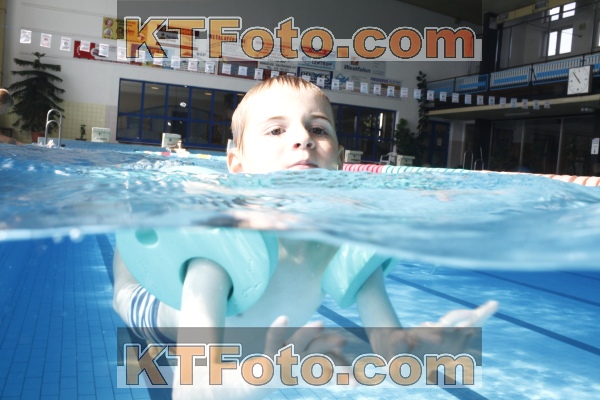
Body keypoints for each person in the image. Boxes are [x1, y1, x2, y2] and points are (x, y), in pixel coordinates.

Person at [113, 76, 497, 398]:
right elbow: (193, 388)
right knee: (124, 293)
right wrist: (248, 382)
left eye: (318, 129)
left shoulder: (343, 245)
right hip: (162, 314)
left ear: (339, 162)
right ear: (238, 166)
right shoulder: (222, 248)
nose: (303, 138)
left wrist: (424, 348)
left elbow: (391, 350)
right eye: (276, 129)